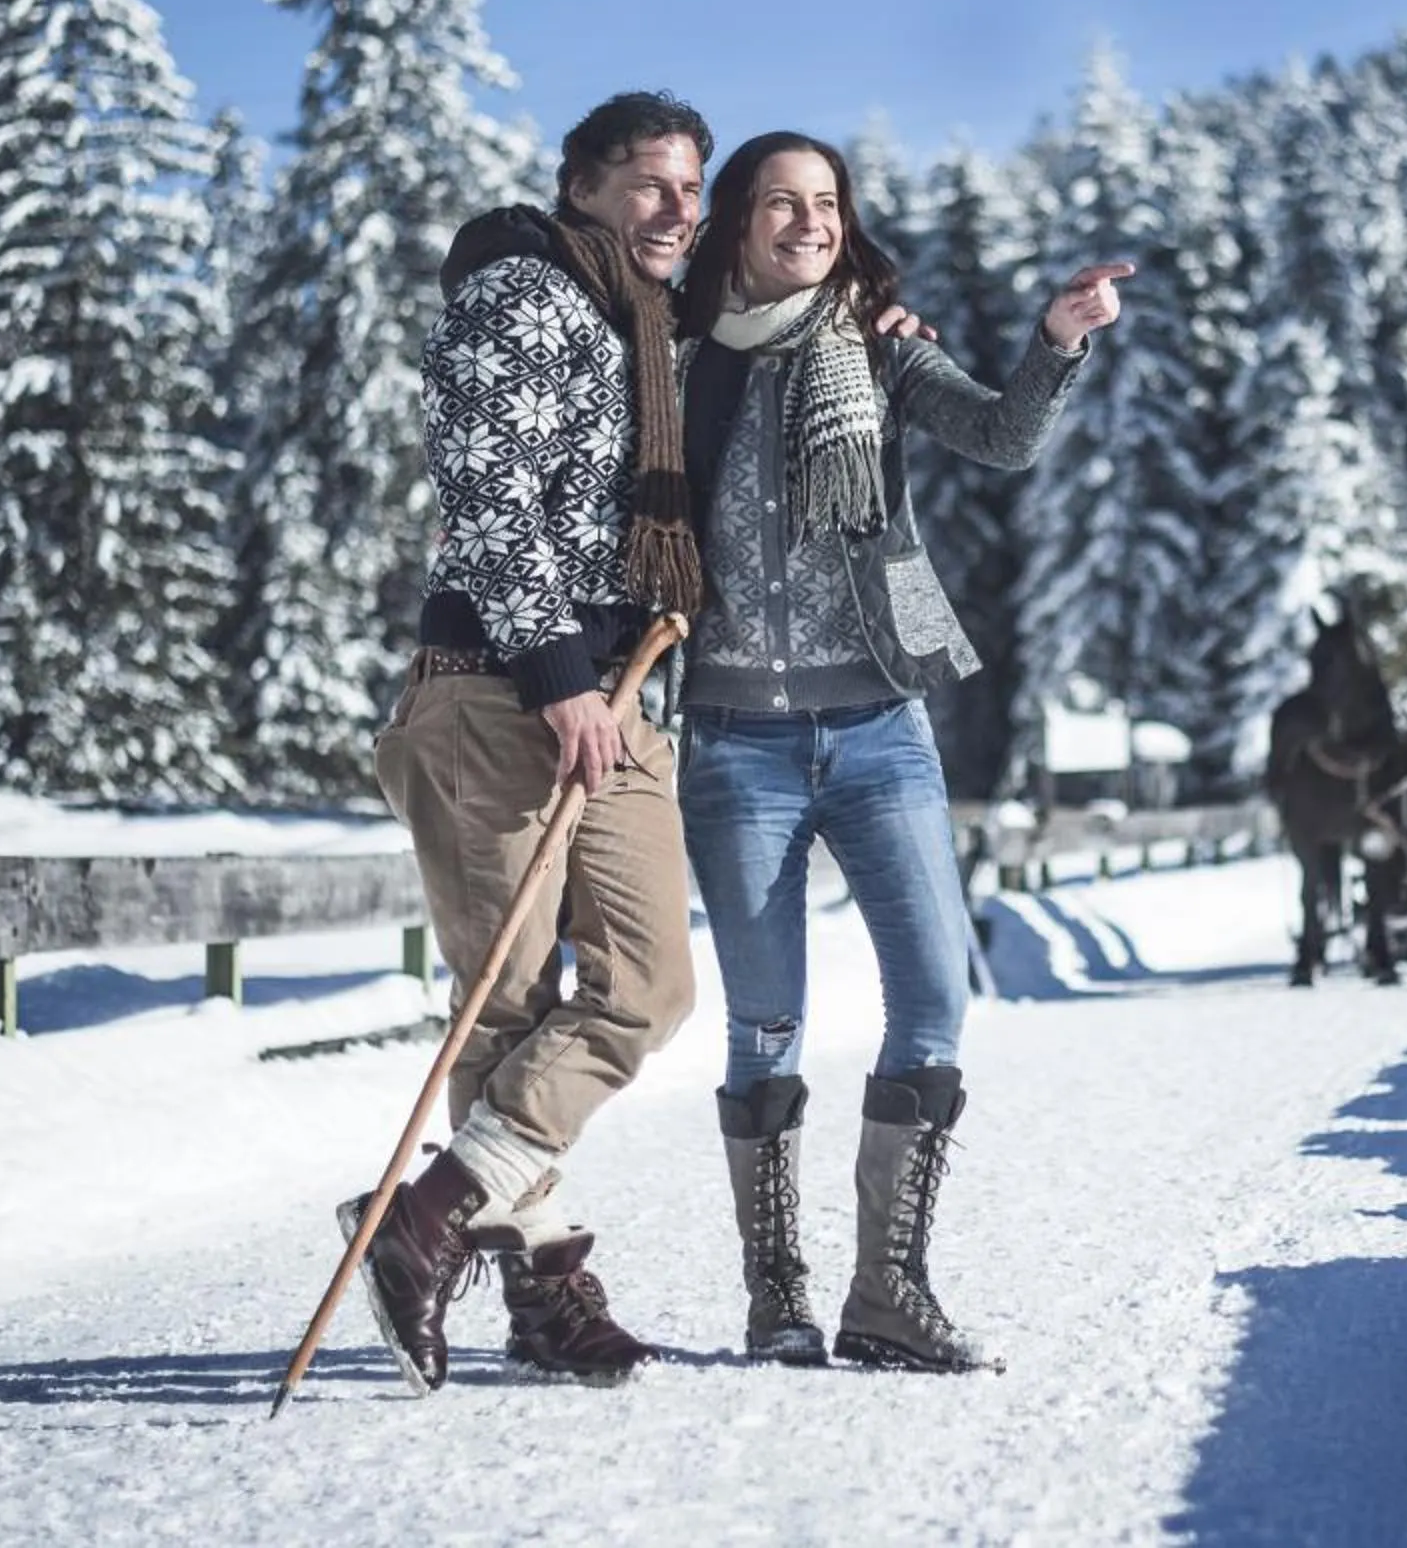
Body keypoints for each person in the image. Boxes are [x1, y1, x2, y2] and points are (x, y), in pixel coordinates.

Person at [674, 130, 1127, 1372]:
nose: (808, 222)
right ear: (737, 220)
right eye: (781, 202)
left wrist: (1056, 343)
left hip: (882, 722)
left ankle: (889, 1290)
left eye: (826, 203)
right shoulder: (677, 353)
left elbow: (1001, 438)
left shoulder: (877, 344)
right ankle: (777, 1299)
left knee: (935, 994)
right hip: (733, 740)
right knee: (764, 1024)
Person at [341, 92, 716, 1394]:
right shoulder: (526, 292)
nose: (678, 209)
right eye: (651, 184)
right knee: (504, 1004)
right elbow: (487, 496)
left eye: (691, 188)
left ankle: (432, 1210)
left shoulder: (645, 324)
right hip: (498, 688)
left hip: (611, 686)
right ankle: (547, 1287)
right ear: (583, 183)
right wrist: (558, 676)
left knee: (649, 983)